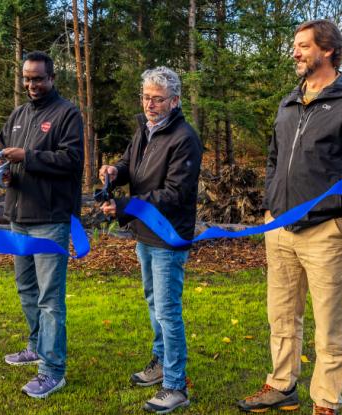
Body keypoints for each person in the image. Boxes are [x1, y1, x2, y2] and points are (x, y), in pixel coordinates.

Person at [237, 19, 342, 415]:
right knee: (282, 316)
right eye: (296, 46)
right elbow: (273, 158)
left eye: (302, 46)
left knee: (330, 324)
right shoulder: (288, 102)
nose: (295, 53)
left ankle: (326, 402)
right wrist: (270, 201)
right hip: (280, 227)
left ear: (328, 50)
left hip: (328, 231)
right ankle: (282, 386)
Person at [98, 67, 203, 413]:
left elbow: (175, 193)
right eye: (146, 97)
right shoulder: (145, 130)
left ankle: (176, 385)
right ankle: (160, 364)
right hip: (144, 232)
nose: (150, 104)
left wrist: (126, 205)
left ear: (174, 101)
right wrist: (115, 170)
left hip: (168, 236)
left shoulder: (184, 138)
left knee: (168, 310)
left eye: (157, 99)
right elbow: (130, 164)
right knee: (153, 303)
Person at [0, 50, 84, 399]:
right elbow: (4, 153)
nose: (32, 84)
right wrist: (4, 174)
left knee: (50, 299)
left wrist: (27, 157)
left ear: (52, 79)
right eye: (27, 78)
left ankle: (52, 370)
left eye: (38, 78)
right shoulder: (17, 116)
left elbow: (72, 160)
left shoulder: (67, 114)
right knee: (26, 290)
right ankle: (35, 346)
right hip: (18, 217)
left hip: (50, 220)